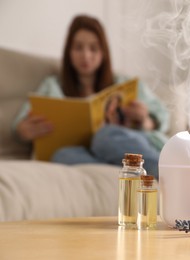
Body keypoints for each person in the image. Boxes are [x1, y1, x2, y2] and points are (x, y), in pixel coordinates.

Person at [12, 14, 170, 178]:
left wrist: (145, 120)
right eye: (78, 47)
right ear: (69, 51)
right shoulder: (52, 86)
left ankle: (166, 173)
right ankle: (123, 177)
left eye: (93, 48)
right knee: (61, 156)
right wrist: (23, 131)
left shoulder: (124, 84)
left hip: (120, 145)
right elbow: (21, 123)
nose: (86, 55)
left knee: (104, 137)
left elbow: (163, 116)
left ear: (103, 52)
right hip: (83, 154)